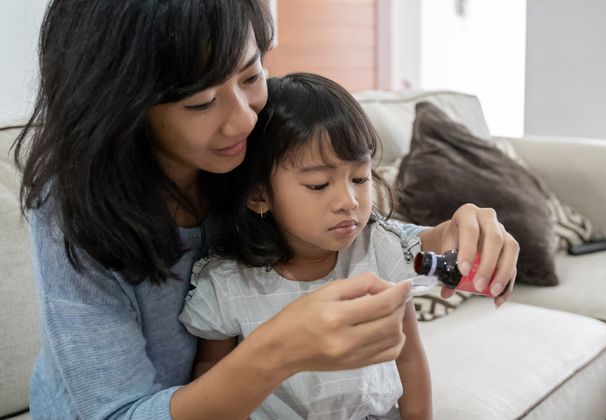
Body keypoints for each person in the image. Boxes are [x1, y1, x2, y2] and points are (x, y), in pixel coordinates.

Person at [13, 0, 519, 419]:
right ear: (122, 107)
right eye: (200, 103)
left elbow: (349, 227)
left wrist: (446, 237)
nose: (241, 121)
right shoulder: (71, 210)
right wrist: (279, 349)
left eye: (251, 76)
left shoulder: (246, 151)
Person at [180, 72, 432, 419]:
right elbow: (212, 375)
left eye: (360, 178)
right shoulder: (227, 285)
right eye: (318, 184)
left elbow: (408, 356)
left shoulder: (378, 253)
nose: (349, 200)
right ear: (259, 195)